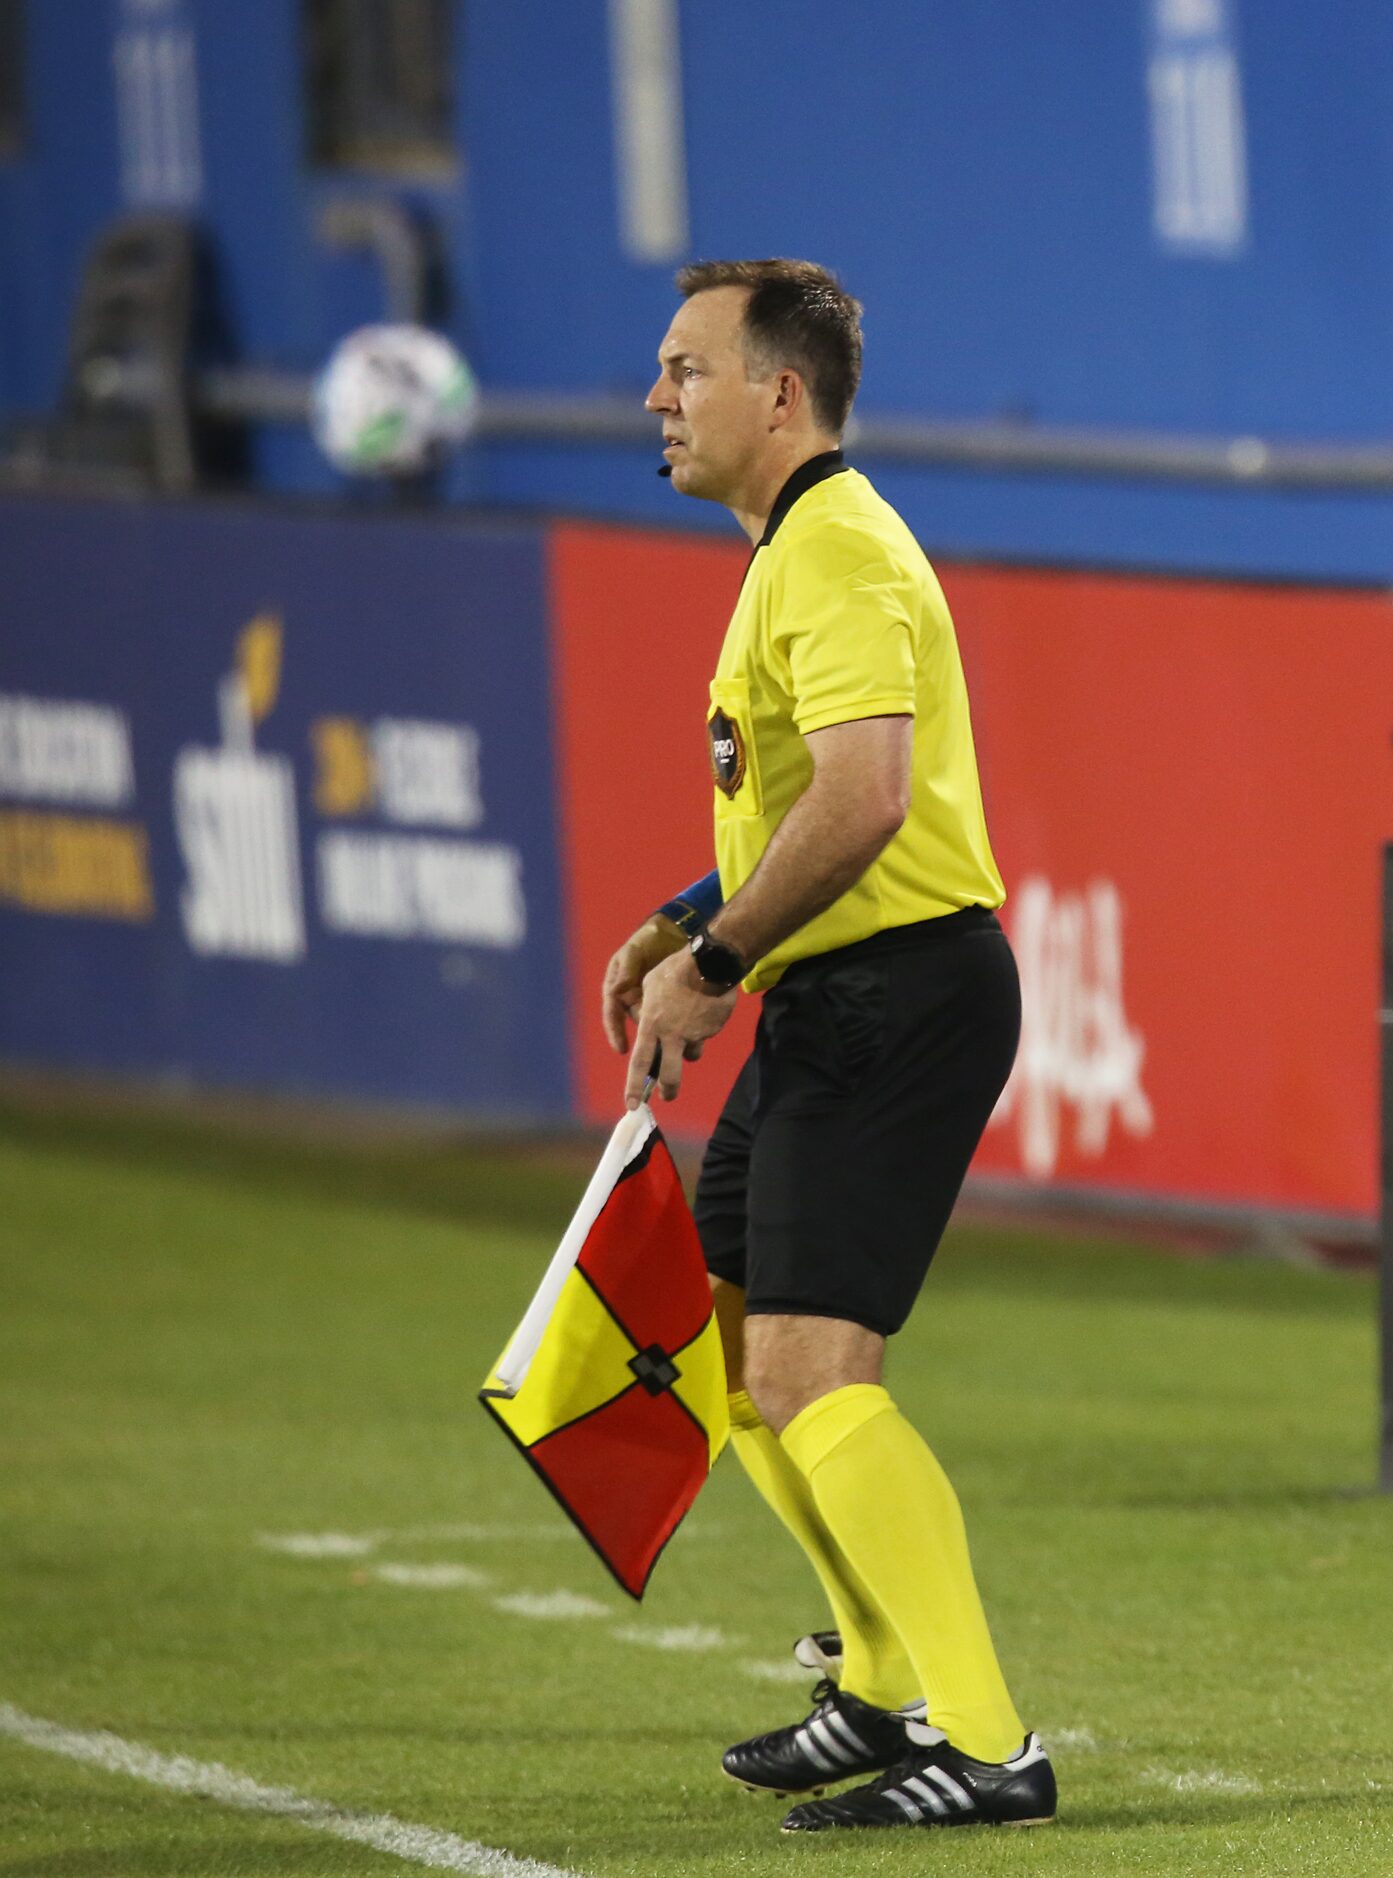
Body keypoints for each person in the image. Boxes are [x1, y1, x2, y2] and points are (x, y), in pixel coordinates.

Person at [598, 258, 1055, 1833]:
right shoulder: (791, 550)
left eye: (685, 370)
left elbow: (866, 803)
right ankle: (873, 1682)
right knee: (733, 1352)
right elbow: (804, 801)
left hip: (897, 995)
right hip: (834, 995)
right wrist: (683, 918)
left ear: (778, 392)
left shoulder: (838, 550)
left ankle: (989, 1743)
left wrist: (713, 962)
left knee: (809, 1370)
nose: (657, 399)